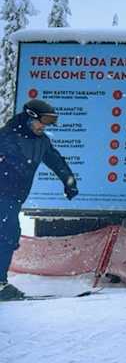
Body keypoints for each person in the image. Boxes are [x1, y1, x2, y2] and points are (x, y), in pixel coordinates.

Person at [0, 100, 79, 300]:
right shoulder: (6, 136)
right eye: (43, 121)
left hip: (14, 197)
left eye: (49, 122)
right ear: (30, 117)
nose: (44, 126)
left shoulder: (41, 141)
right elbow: (17, 162)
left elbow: (56, 160)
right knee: (7, 234)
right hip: (3, 194)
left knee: (8, 235)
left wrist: (69, 180)